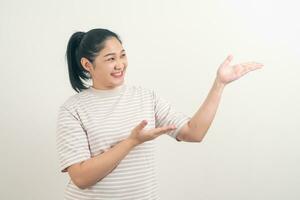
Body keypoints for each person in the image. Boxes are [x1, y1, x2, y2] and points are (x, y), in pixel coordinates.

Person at [56, 28, 263, 200]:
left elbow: (194, 132)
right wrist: (131, 142)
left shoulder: (146, 98)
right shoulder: (73, 109)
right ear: (87, 65)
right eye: (110, 58)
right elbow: (81, 178)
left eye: (123, 55)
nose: (120, 64)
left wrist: (219, 84)